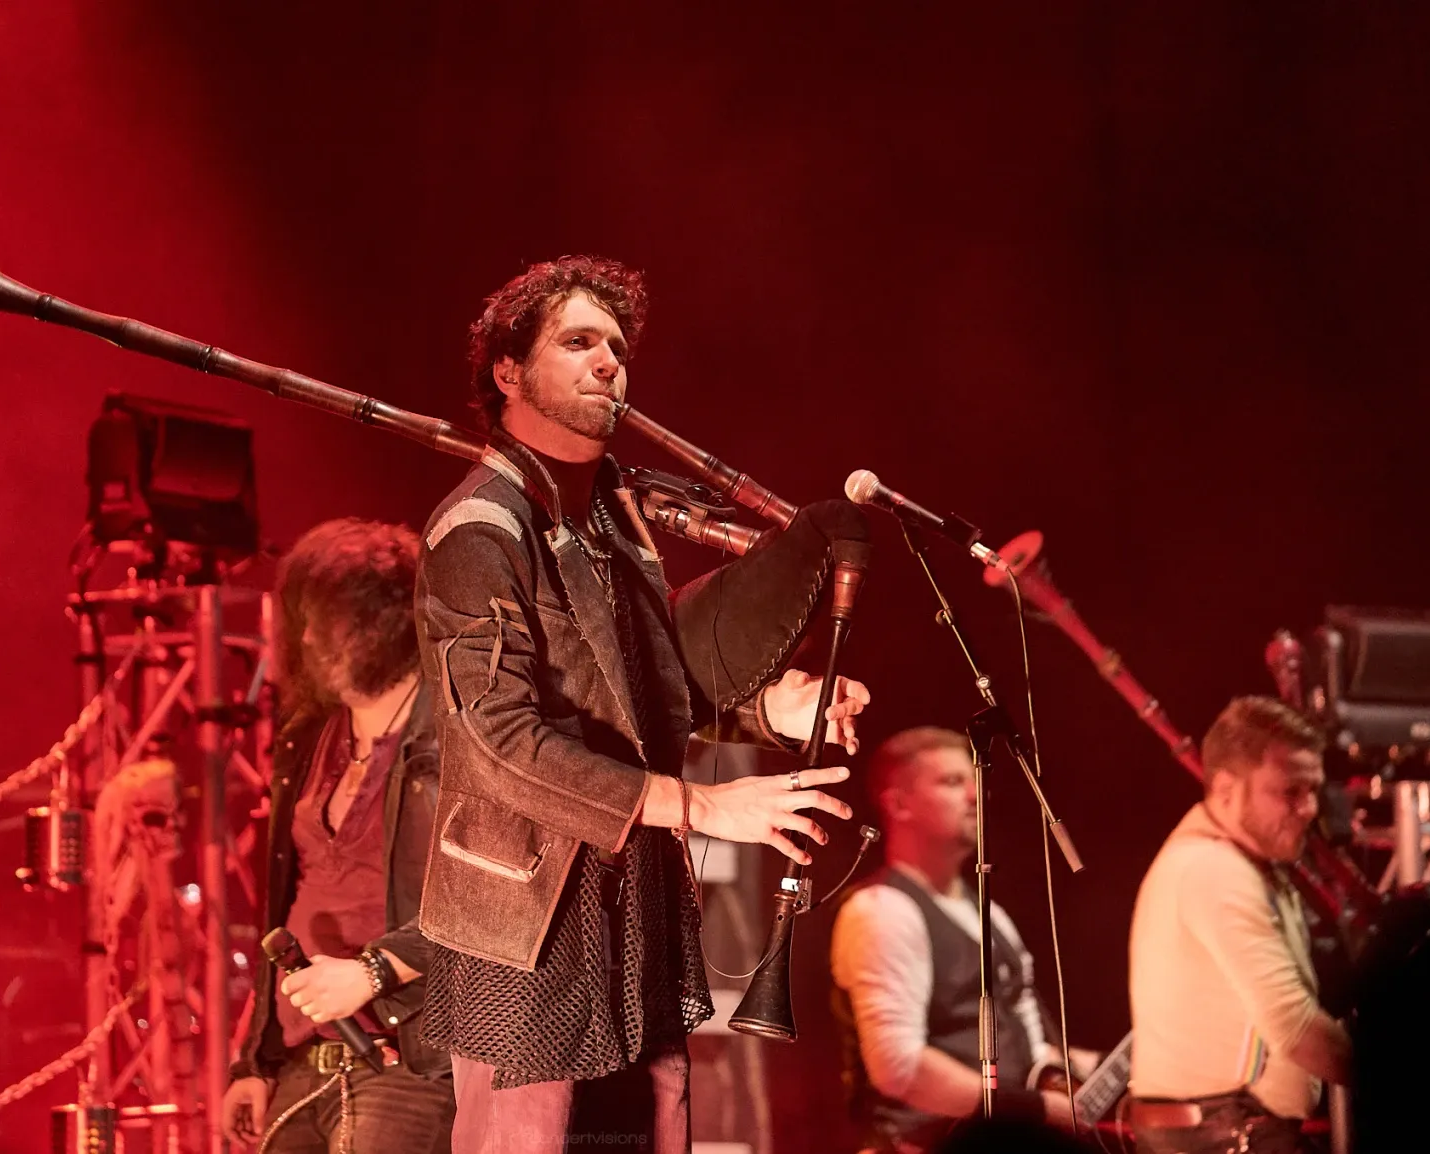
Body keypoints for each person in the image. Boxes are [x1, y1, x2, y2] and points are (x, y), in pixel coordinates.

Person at [412, 255, 872, 1154]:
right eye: (577, 342)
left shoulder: (613, 518)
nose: (607, 363)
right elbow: (499, 744)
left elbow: (640, 695)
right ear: (508, 372)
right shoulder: (477, 531)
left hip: (633, 905)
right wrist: (703, 806)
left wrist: (769, 711)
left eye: (617, 349)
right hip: (525, 926)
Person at [223, 519, 456, 1153]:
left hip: (408, 1058)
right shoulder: (308, 735)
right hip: (304, 1061)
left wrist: (375, 970)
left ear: (383, 623)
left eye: (325, 623)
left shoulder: (456, 733)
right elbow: (286, 905)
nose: (305, 639)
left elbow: (496, 898)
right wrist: (256, 1060)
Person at [830, 727, 1093, 1153]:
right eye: (951, 782)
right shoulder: (881, 910)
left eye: (975, 781)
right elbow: (898, 1067)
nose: (975, 795)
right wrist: (1035, 1110)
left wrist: (1108, 1066)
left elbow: (1028, 1038)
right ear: (898, 804)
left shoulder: (988, 911)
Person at [1128, 696, 1350, 1153]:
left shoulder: (1235, 862)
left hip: (1226, 1131)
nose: (1309, 808)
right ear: (1226, 789)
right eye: (1290, 791)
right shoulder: (1214, 871)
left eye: (1313, 790)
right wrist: (1411, 1077)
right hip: (1224, 1137)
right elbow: (1297, 1031)